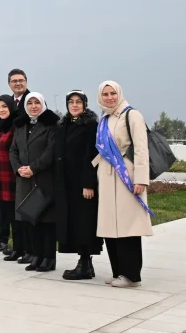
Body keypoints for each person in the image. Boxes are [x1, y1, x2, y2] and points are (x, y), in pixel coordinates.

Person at [93, 81, 153, 288]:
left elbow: (141, 149)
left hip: (127, 176)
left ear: (119, 94)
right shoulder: (104, 118)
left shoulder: (131, 115)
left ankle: (131, 275)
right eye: (105, 94)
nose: (110, 97)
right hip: (107, 177)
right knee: (111, 226)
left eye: (112, 93)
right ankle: (118, 271)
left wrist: (141, 179)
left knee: (128, 227)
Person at [56, 90, 102, 281]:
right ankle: (85, 264)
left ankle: (85, 263)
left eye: (78, 102)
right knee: (74, 222)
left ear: (85, 104)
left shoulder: (90, 124)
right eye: (71, 102)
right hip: (68, 184)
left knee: (84, 223)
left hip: (83, 184)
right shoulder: (65, 124)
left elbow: (91, 155)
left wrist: (88, 183)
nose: (74, 105)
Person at [10, 92, 59, 272]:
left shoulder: (51, 125)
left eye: (37, 102)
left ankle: (49, 258)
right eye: (29, 103)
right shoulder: (21, 126)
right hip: (24, 179)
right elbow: (13, 150)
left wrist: (33, 168)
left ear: (43, 104)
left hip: (43, 179)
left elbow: (50, 151)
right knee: (31, 220)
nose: (33, 106)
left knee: (46, 221)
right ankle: (36, 256)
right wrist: (18, 168)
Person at [0, 96, 22, 259]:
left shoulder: (15, 126)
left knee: (16, 215)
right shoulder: (1, 127)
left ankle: (20, 247)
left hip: (13, 176)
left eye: (4, 106)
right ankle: (15, 246)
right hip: (1, 176)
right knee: (8, 214)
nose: (1, 110)